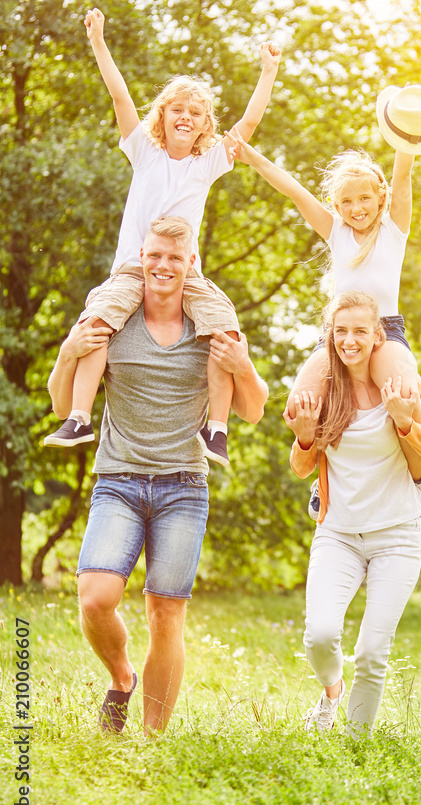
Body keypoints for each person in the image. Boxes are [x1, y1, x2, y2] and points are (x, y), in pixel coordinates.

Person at [47, 216, 268, 735]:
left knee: (166, 615)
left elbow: (254, 410)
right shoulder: (114, 323)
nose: (163, 266)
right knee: (95, 597)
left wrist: (245, 366)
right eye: (155, 256)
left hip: (183, 487)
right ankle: (121, 677)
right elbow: (62, 402)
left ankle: (152, 738)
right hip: (118, 481)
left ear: (191, 263)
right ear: (140, 260)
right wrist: (66, 353)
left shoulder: (210, 328)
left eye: (175, 257)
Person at [44, 7, 280, 469]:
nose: (186, 117)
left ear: (204, 123)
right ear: (163, 115)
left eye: (196, 112)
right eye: (177, 109)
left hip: (186, 272)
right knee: (96, 324)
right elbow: (119, 96)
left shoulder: (206, 163)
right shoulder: (145, 152)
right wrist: (97, 40)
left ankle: (215, 429)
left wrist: (268, 71)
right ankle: (78, 417)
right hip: (134, 268)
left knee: (223, 326)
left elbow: (248, 127)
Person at [225, 83, 421, 425]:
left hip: (385, 329)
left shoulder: (393, 229)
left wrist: (408, 122)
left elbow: (402, 174)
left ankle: (420, 476)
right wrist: (251, 155)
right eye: (346, 201)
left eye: (364, 199)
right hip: (338, 331)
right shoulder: (336, 232)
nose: (356, 208)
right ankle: (322, 472)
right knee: (299, 405)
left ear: (380, 198)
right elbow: (293, 189)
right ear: (336, 205)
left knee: (404, 396)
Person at [285, 291, 421, 736]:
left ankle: (357, 746)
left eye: (360, 331)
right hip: (338, 535)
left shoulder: (400, 387)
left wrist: (404, 420)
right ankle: (331, 693)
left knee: (373, 652)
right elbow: (301, 469)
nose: (349, 340)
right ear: (330, 337)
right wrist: (304, 437)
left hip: (396, 535)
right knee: (318, 636)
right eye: (341, 331)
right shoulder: (326, 391)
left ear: (378, 336)